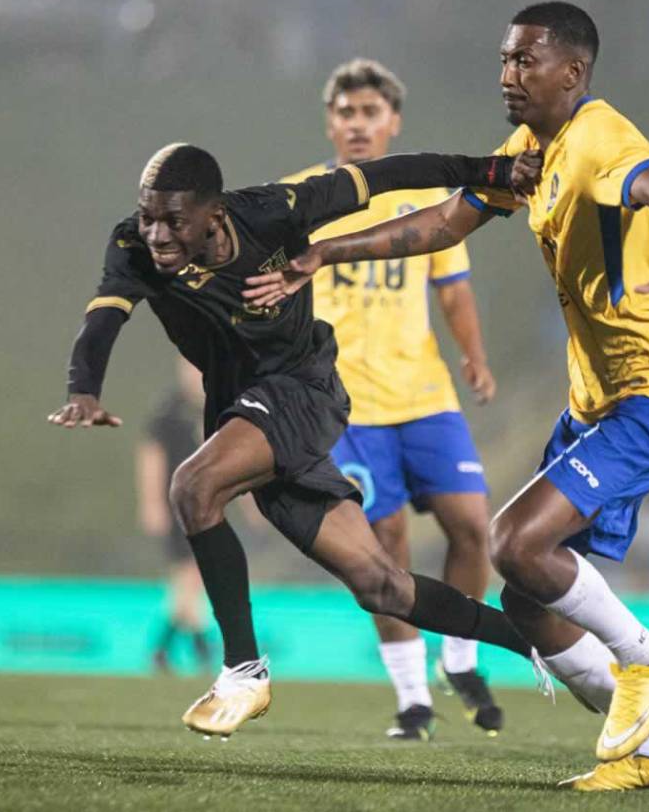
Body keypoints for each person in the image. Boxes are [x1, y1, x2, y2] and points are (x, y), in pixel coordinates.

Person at [244, 1, 649, 791]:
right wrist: (322, 253)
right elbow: (438, 224)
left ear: (571, 72)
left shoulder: (603, 137)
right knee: (532, 601)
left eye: (524, 61)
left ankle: (648, 656)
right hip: (600, 401)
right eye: (504, 59)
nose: (508, 75)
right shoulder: (531, 149)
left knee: (511, 542)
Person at [49, 141, 545, 738]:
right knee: (380, 584)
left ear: (214, 214)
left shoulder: (274, 212)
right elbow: (104, 316)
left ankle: (244, 669)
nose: (155, 233)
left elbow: (388, 175)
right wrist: (84, 387)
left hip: (303, 389)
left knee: (193, 487)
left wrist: (490, 172)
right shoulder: (133, 244)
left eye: (173, 220)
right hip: (244, 413)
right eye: (148, 214)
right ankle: (534, 641)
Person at [283, 59, 502, 741]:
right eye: (346, 113)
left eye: (370, 113)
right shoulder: (298, 199)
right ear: (330, 121)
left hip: (426, 394)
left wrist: (473, 354)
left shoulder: (428, 192)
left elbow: (453, 288)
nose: (357, 124)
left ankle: (461, 659)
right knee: (387, 547)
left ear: (393, 121)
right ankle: (413, 700)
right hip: (345, 407)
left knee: (474, 529)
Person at [137, 356, 213, 673]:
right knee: (190, 576)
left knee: (190, 580)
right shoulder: (169, 409)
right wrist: (151, 502)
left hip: (207, 503)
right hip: (176, 504)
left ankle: (165, 649)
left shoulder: (219, 405)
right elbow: (150, 456)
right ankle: (198, 646)